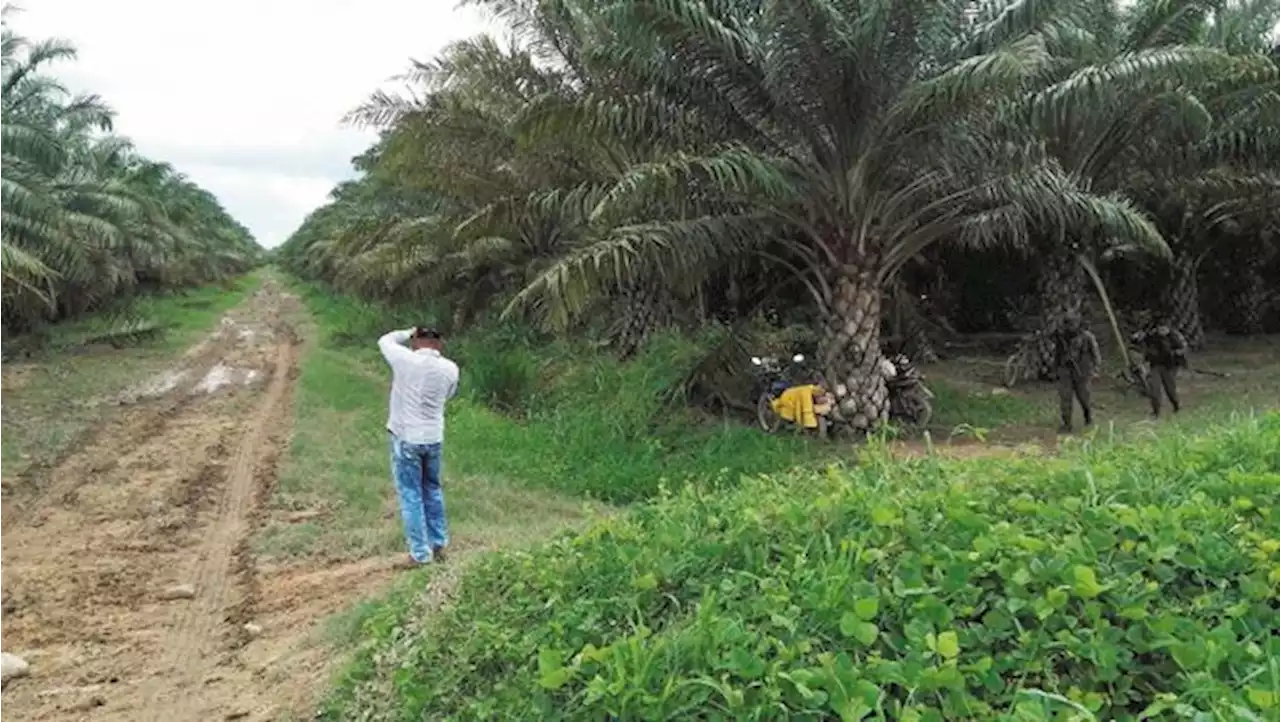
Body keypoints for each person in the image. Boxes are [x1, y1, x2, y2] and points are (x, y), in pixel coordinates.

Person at [378, 326, 459, 567]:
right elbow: (448, 395)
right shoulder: (450, 368)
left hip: (407, 437)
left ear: (416, 342)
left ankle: (420, 554)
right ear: (439, 344)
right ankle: (439, 544)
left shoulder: (405, 360)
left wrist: (407, 331)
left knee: (411, 495)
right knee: (432, 490)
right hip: (434, 437)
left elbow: (385, 339)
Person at [1052, 313, 1101, 433]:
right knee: (1065, 398)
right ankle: (1067, 423)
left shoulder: (1087, 337)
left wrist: (1095, 370)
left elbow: (1095, 354)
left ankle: (1087, 416)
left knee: (1084, 398)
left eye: (1072, 324)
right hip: (1065, 370)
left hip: (1082, 371)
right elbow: (1057, 354)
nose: (1070, 327)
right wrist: (1055, 369)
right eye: (1067, 324)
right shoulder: (1062, 337)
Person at [1130, 320, 1188, 417]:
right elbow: (1138, 340)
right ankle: (1156, 411)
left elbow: (1183, 348)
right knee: (1154, 389)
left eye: (1164, 329)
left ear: (1168, 329)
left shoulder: (1174, 336)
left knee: (1170, 389)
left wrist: (1174, 353)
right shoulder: (1152, 336)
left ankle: (1176, 406)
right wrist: (1136, 337)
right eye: (1160, 329)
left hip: (1169, 365)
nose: (1162, 331)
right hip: (1155, 365)